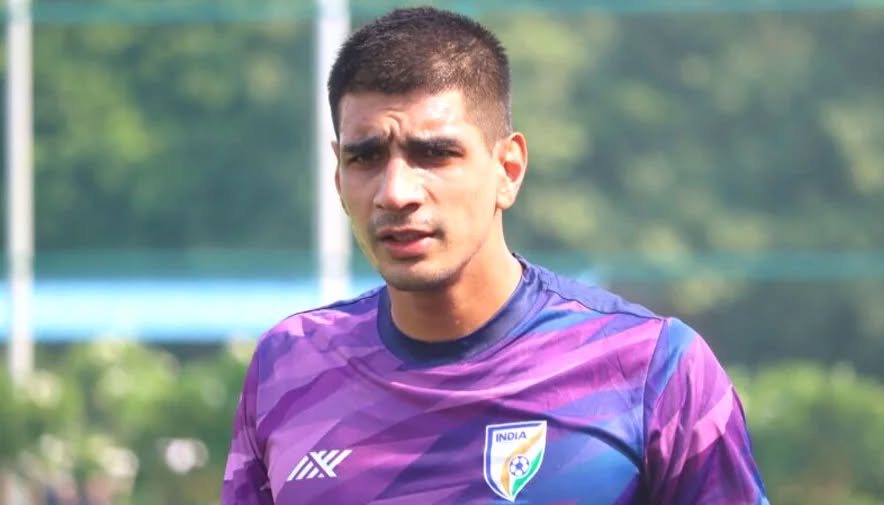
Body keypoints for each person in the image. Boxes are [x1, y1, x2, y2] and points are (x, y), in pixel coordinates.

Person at [222, 6, 769, 505]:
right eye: (365, 158)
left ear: (508, 170)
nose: (395, 192)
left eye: (434, 154)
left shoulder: (652, 368)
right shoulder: (288, 367)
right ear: (338, 177)